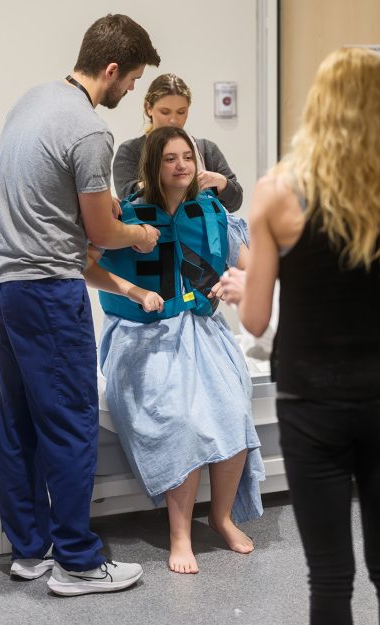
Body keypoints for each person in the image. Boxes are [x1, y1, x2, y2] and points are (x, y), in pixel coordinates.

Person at [218, 47, 380, 625]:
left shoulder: (276, 194)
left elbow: (253, 319)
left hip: (312, 407)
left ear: (318, 109)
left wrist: (251, 284)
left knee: (329, 576)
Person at [0, 14, 161, 597]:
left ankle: (31, 551)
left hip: (0, 282)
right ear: (110, 69)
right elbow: (101, 232)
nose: (131, 90)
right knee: (73, 420)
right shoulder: (88, 129)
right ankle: (79, 562)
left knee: (20, 419)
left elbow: (51, 203)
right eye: (131, 80)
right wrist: (136, 235)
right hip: (46, 290)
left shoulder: (31, 102)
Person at [90, 125, 265, 575]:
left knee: (233, 411)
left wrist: (239, 283)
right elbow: (86, 266)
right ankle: (180, 534)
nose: (182, 165)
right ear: (153, 164)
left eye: (187, 156)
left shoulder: (209, 212)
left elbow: (252, 268)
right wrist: (133, 293)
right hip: (143, 336)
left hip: (203, 331)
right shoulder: (127, 217)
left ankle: (221, 517)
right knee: (182, 420)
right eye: (170, 158)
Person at [112, 73, 243, 211]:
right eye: (165, 112)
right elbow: (128, 197)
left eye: (181, 112)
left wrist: (222, 183)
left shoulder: (207, 149)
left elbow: (235, 201)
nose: (173, 120)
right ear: (148, 108)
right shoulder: (130, 151)